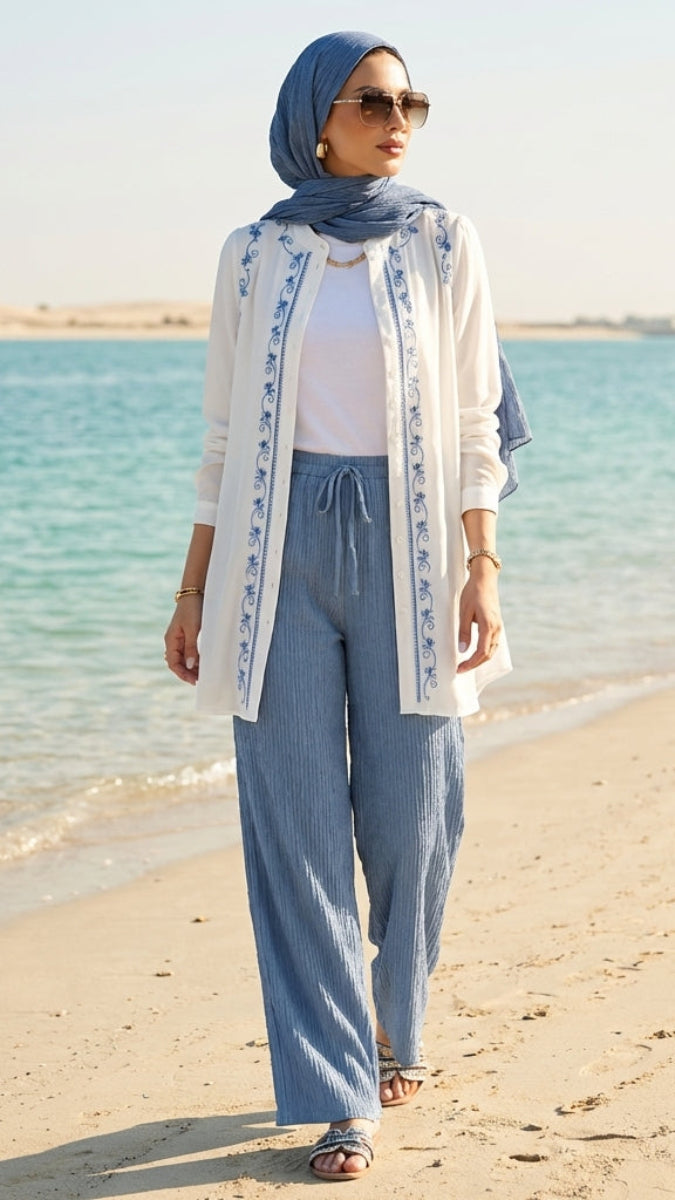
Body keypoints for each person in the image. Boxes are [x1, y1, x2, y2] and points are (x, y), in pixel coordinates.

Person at [164, 30, 528, 1183]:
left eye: (411, 97)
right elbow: (224, 439)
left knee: (415, 813)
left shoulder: (442, 241)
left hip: (417, 548)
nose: (399, 115)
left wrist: (484, 564)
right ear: (316, 116)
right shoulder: (251, 254)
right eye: (374, 98)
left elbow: (475, 423)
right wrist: (190, 590)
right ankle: (339, 1096)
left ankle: (398, 1020)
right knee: (297, 820)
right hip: (271, 556)